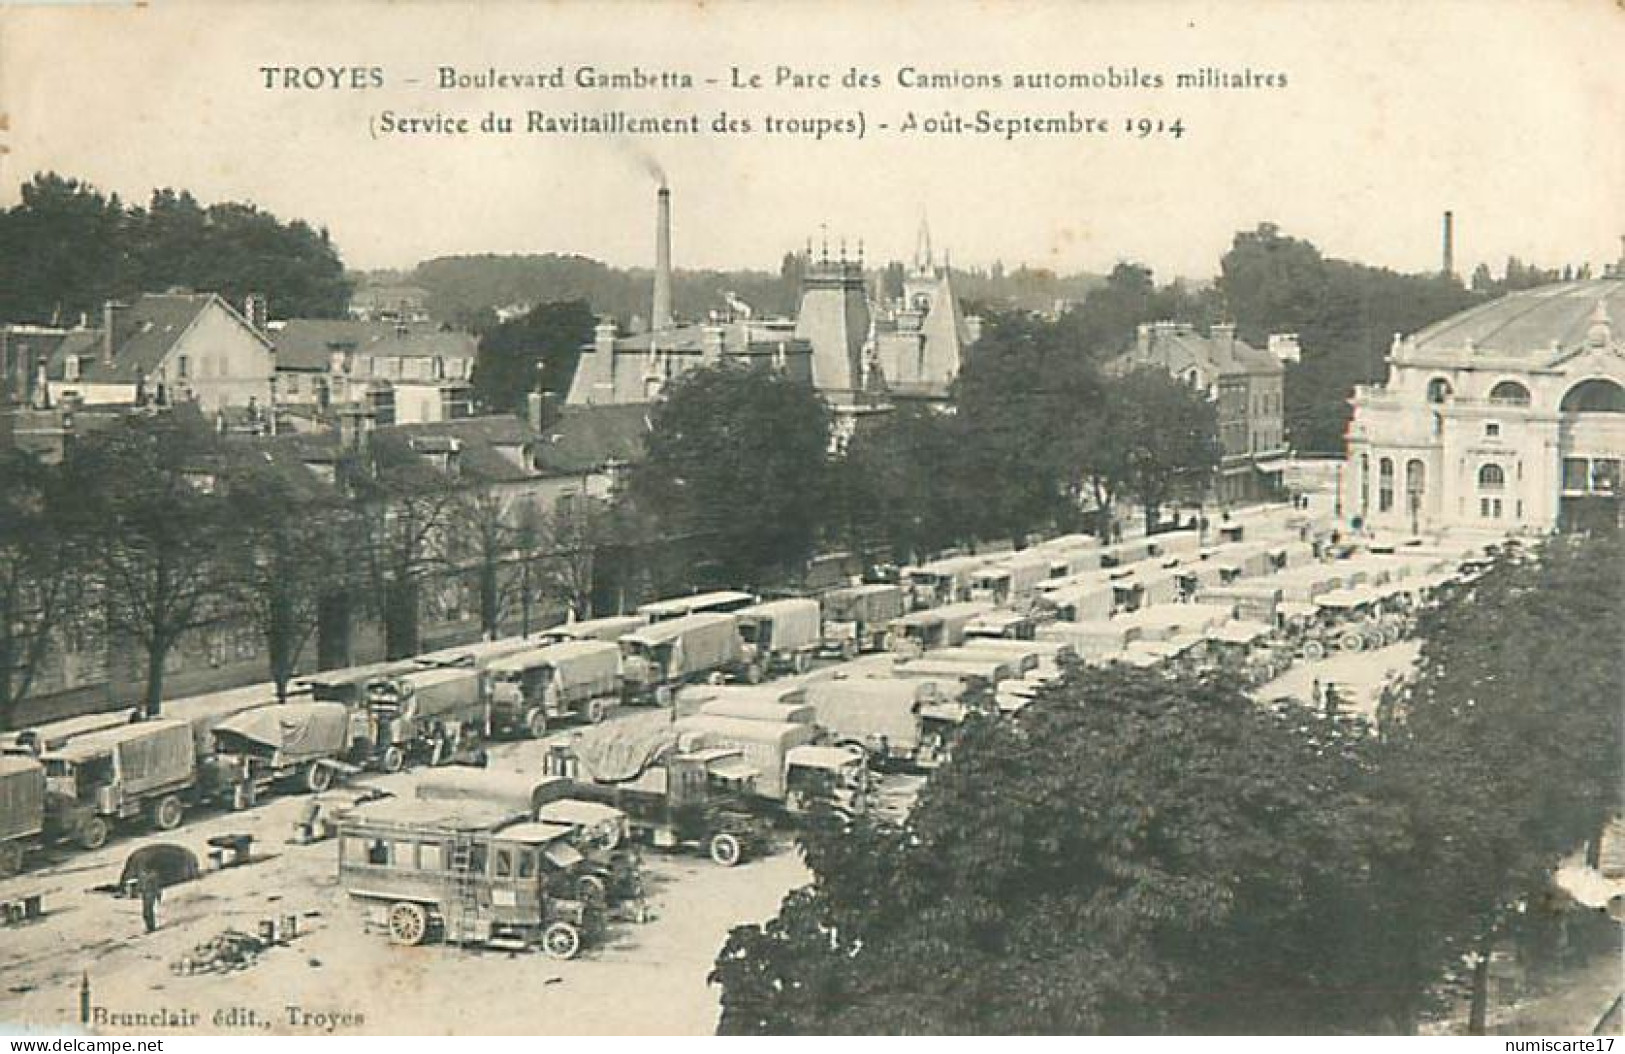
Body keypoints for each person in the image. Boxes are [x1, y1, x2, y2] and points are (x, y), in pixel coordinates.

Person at [136, 867, 162, 934]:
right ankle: (149, 927)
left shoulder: (153, 876)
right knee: (145, 912)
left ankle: (151, 927)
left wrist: (158, 896)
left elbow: (157, 887)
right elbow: (140, 885)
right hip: (145, 895)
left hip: (151, 895)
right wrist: (139, 891)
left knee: (149, 911)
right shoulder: (142, 875)